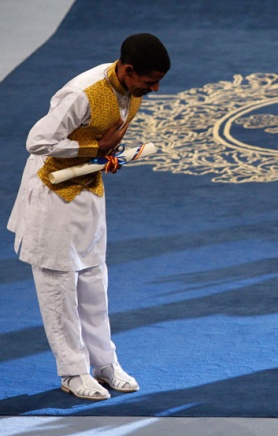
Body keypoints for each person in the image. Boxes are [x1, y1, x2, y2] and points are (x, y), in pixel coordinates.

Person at [7, 33, 170, 401]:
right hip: (52, 194)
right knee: (59, 286)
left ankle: (104, 363)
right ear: (128, 70)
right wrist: (94, 148)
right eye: (149, 81)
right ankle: (73, 371)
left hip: (88, 188)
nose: (155, 89)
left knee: (94, 281)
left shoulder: (131, 90)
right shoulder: (82, 93)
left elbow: (104, 138)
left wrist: (105, 158)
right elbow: (37, 141)